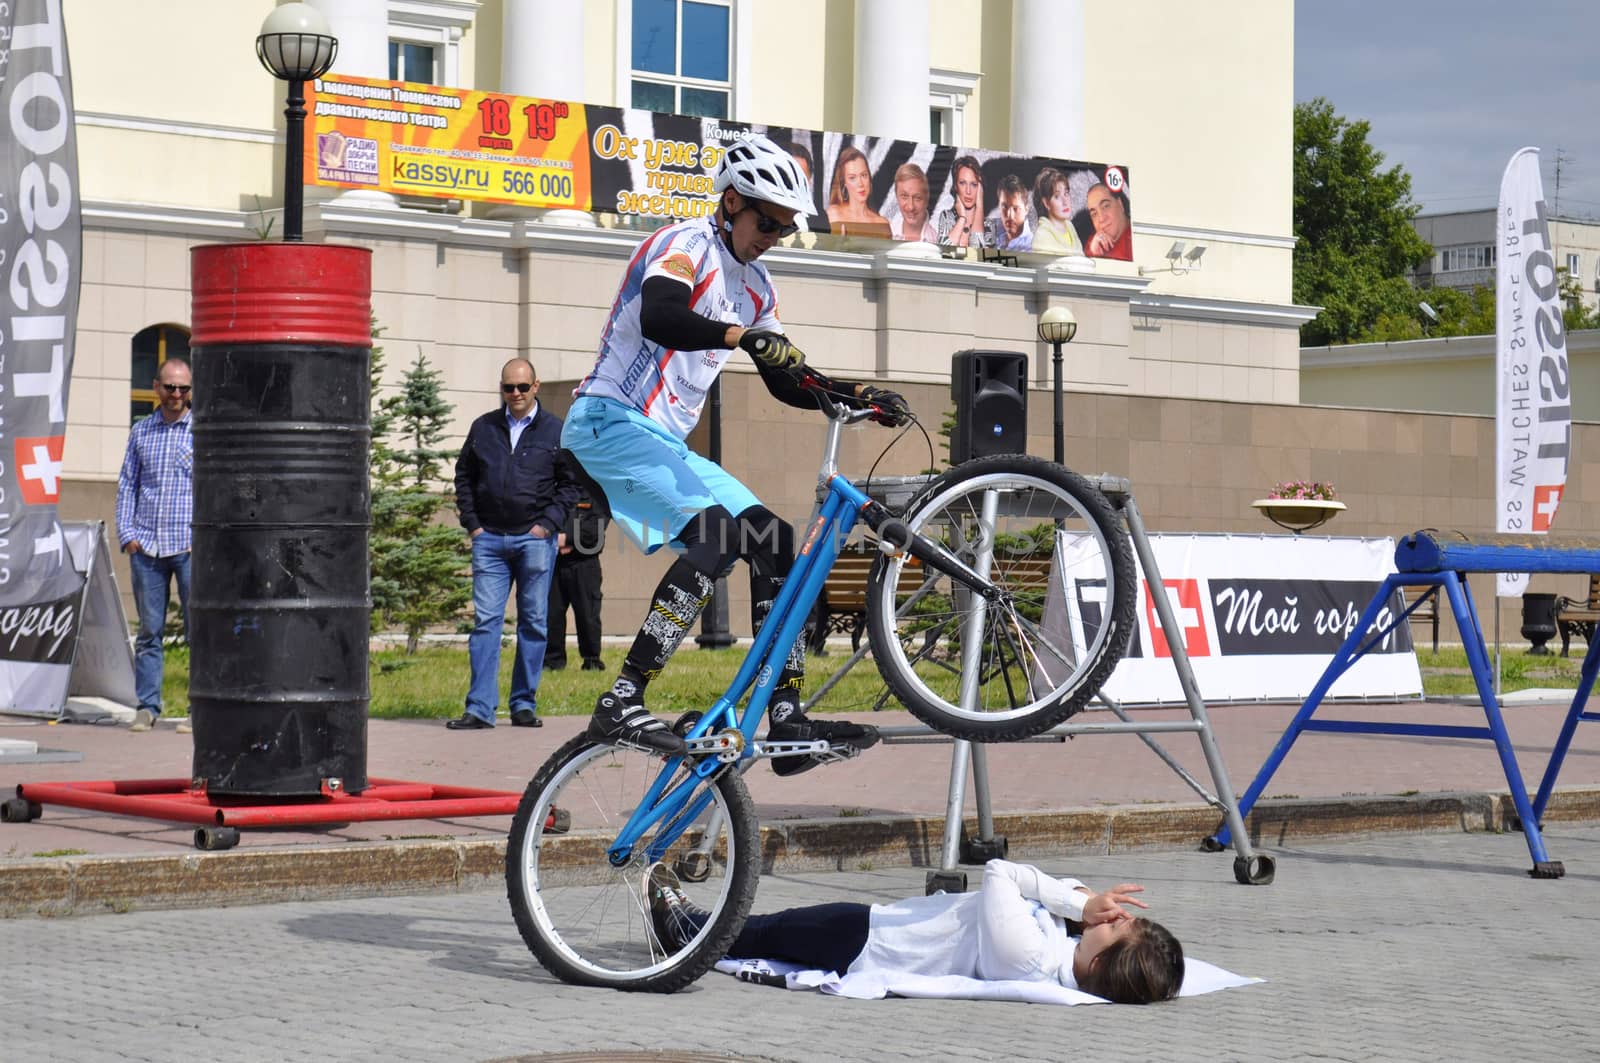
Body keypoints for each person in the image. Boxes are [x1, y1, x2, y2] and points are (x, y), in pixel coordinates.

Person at [564, 133, 911, 769]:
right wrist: (739, 336)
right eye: (765, 223)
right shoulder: (682, 245)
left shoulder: (757, 286)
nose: (771, 236)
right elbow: (661, 316)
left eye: (782, 229)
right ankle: (622, 697)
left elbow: (785, 378)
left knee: (777, 544)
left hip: (662, 439)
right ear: (729, 202)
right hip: (607, 420)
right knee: (719, 536)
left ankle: (784, 714)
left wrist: (852, 393)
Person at [646, 858, 1185, 1005]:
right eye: (1120, 916)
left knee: (758, 933)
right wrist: (1082, 906)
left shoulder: (1026, 954)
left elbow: (1002, 873)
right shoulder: (1060, 949)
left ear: (1098, 966)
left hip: (864, 939)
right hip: (876, 931)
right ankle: (688, 925)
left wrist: (1080, 901)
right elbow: (1048, 895)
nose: (1109, 917)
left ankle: (680, 929)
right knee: (764, 930)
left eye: (1115, 930)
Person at [449, 358, 579, 731]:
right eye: (509, 388)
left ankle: (523, 703)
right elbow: (464, 477)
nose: (516, 394)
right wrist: (473, 526)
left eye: (523, 387)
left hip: (534, 540)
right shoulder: (484, 427)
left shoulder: (556, 430)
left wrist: (547, 525)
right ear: (502, 389)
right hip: (489, 539)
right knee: (486, 622)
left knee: (535, 623)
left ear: (535, 385)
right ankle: (479, 708)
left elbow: (571, 484)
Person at [117, 358, 195, 734]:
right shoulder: (141, 431)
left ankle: (200, 710)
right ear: (156, 388)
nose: (177, 394)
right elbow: (127, 484)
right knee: (149, 632)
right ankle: (147, 707)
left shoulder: (202, 431)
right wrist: (127, 535)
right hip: (146, 546)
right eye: (170, 387)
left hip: (189, 546)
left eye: (183, 388)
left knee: (201, 631)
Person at [543, 484, 606, 672]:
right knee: (551, 614)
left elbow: (594, 532)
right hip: (554, 561)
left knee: (588, 614)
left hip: (584, 564)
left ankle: (592, 660)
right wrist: (557, 541)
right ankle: (552, 662)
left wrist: (567, 539)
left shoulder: (596, 494)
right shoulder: (553, 492)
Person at [825, 145, 890, 233]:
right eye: (852, 178)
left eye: (863, 175)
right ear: (844, 182)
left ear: (869, 177)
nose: (860, 183)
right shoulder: (833, 215)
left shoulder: (883, 224)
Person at [935, 155, 989, 249]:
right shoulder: (947, 217)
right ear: (955, 186)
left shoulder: (988, 225)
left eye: (974, 184)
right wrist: (962, 218)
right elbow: (944, 251)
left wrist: (980, 206)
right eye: (962, 183)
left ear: (980, 188)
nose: (968, 191)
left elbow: (978, 253)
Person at [1031, 167, 1084, 256]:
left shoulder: (1070, 227)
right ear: (1046, 203)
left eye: (1066, 193)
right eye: (1057, 196)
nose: (1065, 201)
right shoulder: (1042, 236)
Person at [984, 173, 1034, 252]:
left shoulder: (1033, 246)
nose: (1009, 215)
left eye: (1015, 208)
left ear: (1026, 209)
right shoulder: (991, 232)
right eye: (1004, 207)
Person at [888, 162, 937, 242]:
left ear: (926, 200)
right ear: (897, 197)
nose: (911, 207)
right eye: (904, 196)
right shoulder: (887, 233)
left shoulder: (937, 240)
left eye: (917, 198)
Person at [1085, 181, 1133, 259]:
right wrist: (1093, 253)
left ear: (1120, 204)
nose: (1101, 218)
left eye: (1106, 206)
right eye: (1094, 214)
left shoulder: (1136, 239)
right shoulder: (1093, 243)